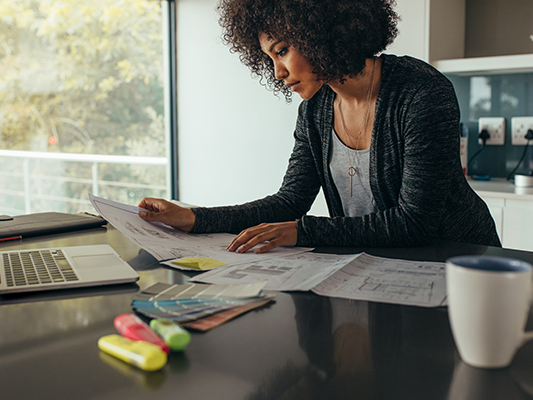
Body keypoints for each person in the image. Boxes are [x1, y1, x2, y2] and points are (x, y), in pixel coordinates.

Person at [138, 0, 501, 253]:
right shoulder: (316, 111)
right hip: (383, 265)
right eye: (269, 58)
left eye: (281, 51)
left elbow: (414, 222)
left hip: (461, 262)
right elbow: (289, 202)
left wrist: (301, 231)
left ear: (320, 30)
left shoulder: (421, 92)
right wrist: (194, 217)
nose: (278, 73)